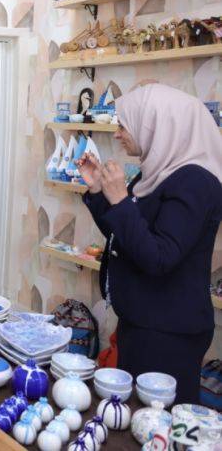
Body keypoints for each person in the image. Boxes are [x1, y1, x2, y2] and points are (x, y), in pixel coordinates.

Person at [77, 83, 222, 405]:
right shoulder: (156, 174)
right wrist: (99, 193)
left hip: (169, 331)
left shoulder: (197, 183)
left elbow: (159, 258)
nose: (117, 134)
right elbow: (125, 237)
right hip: (144, 320)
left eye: (123, 125)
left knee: (153, 422)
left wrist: (119, 200)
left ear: (156, 124)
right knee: (131, 415)